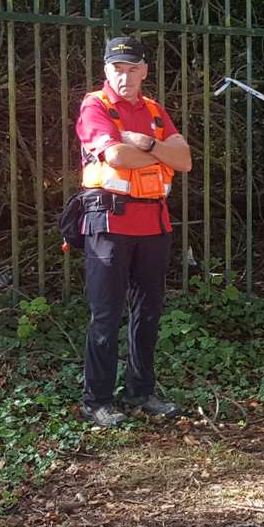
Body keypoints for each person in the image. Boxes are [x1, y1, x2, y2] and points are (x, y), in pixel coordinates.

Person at [74, 35, 192, 427]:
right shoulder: (96, 105)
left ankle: (140, 392)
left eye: (131, 69)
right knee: (105, 315)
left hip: (154, 224)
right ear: (106, 70)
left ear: (144, 70)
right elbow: (115, 156)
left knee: (148, 312)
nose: (124, 77)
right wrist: (158, 151)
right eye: (116, 69)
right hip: (108, 223)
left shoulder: (155, 111)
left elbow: (185, 159)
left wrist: (145, 142)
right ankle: (97, 400)